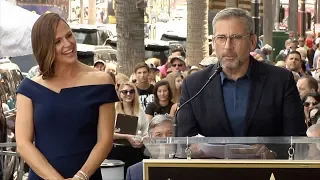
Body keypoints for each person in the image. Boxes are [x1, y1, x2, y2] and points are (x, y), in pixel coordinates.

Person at [177, 7, 305, 151]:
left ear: (252, 41)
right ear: (213, 42)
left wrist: (272, 154)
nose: (228, 46)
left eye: (236, 38)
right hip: (210, 172)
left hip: (266, 172)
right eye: (221, 38)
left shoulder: (280, 81)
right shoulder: (194, 85)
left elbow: (298, 141)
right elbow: (184, 143)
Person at [15, 13, 118, 180]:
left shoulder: (102, 81)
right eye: (57, 41)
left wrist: (80, 176)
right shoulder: (28, 88)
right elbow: (23, 144)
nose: (68, 43)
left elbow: (105, 140)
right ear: (45, 47)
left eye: (69, 35)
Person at [125, 115, 174, 180]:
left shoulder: (187, 166)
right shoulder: (134, 171)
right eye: (158, 135)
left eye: (170, 133)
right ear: (150, 139)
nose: (164, 139)